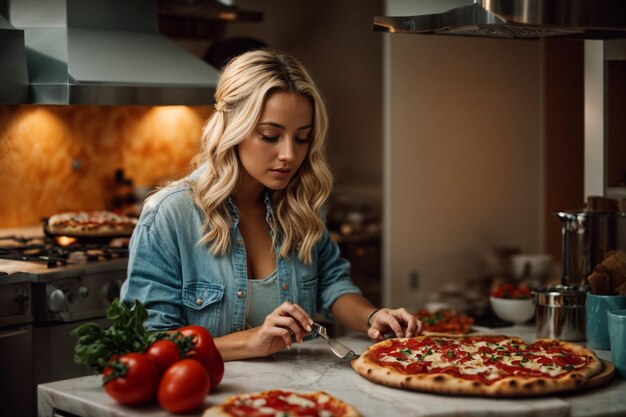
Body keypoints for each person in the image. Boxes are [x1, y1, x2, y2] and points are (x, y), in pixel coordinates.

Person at [120, 49, 421, 361]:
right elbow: (150, 341)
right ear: (231, 129)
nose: (289, 154)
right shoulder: (170, 215)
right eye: (269, 135)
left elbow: (332, 285)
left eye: (302, 138)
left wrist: (372, 317)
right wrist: (251, 342)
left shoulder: (301, 204)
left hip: (294, 397)